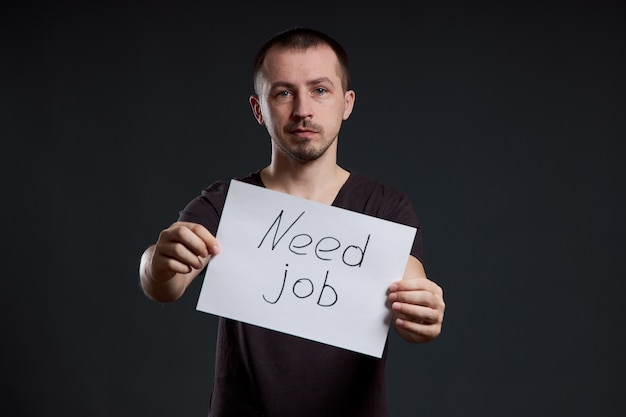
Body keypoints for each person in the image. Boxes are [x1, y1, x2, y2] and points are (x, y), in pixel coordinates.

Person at [139, 27, 445, 417]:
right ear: (258, 109)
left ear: (346, 102)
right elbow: (165, 285)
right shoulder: (226, 201)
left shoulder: (384, 206)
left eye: (320, 89)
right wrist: (158, 261)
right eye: (283, 93)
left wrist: (424, 311)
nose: (303, 109)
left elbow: (412, 291)